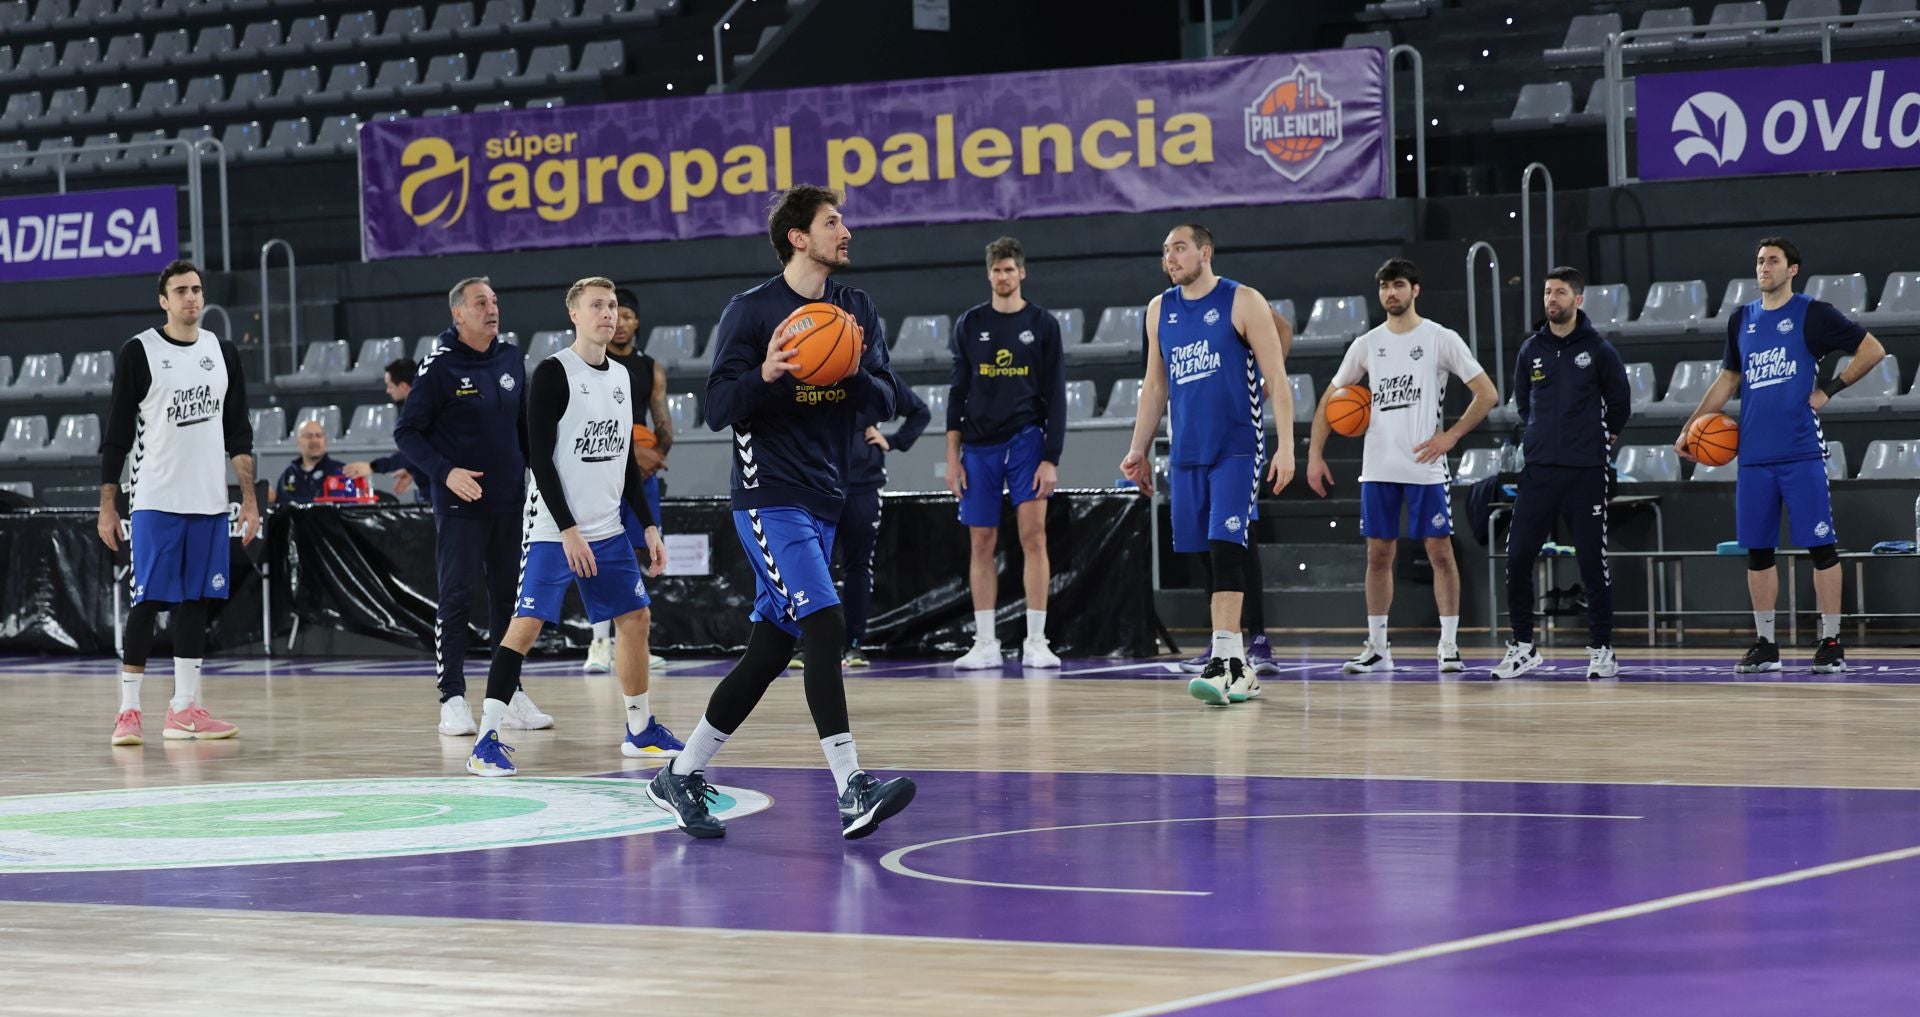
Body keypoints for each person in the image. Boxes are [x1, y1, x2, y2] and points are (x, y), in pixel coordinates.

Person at [647, 185, 916, 841]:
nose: (846, 230)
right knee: (824, 624)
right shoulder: (751, 311)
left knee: (769, 650)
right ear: (799, 236)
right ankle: (852, 787)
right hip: (769, 496)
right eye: (833, 222)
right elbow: (716, 408)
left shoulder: (853, 308)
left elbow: (883, 391)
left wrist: (847, 371)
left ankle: (679, 774)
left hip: (826, 495)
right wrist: (766, 374)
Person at [465, 278, 679, 776]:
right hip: (552, 528)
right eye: (597, 306)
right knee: (525, 627)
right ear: (575, 316)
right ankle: (485, 741)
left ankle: (639, 729)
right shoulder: (553, 373)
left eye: (613, 305)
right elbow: (539, 457)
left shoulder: (624, 376)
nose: (608, 313)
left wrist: (646, 526)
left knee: (636, 619)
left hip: (607, 527)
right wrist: (566, 529)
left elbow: (626, 456)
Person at [1673, 236, 1887, 675]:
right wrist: (1692, 429)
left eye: (1772, 260)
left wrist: (1830, 388)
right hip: (1753, 457)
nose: (1763, 267)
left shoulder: (1813, 313)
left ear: (1793, 269)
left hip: (1801, 451)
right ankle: (1766, 645)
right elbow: (1728, 380)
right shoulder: (1742, 320)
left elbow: (1873, 349)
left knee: (1822, 548)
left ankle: (1831, 641)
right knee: (1758, 553)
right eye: (1759, 260)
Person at [1120, 224, 1294, 706]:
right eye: (1164, 251)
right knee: (1204, 554)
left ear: (1205, 252)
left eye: (1178, 248)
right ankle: (1236, 662)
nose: (1169, 258)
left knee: (1225, 547)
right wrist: (1138, 448)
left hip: (1236, 444)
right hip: (1187, 452)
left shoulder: (1243, 300)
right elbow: (1155, 387)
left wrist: (1287, 448)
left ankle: (1226, 663)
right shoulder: (1159, 310)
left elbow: (1278, 377)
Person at [1306, 258, 1498, 675]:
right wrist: (1314, 455)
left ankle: (1448, 644)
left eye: (1397, 285)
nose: (1390, 293)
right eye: (1384, 287)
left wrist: (1451, 436)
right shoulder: (1367, 344)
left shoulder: (1439, 339)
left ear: (1415, 290)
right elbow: (1329, 399)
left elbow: (1486, 393)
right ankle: (1377, 646)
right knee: (1378, 556)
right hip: (1378, 468)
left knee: (1440, 553)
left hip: (1426, 467)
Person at [97, 259, 259, 745]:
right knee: (147, 603)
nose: (192, 297)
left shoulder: (221, 351)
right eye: (181, 291)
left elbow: (239, 432)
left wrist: (248, 499)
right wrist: (109, 504)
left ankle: (184, 709)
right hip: (154, 499)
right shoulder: (139, 352)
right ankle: (128, 712)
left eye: (196, 289)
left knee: (196, 603)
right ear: (163, 300)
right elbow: (117, 435)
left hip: (209, 503)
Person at [394, 277, 552, 736]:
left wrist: (538, 477)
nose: (492, 308)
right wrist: (445, 472)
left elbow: (524, 427)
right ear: (458, 314)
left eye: (495, 300)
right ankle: (453, 698)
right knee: (457, 598)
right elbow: (407, 433)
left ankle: (510, 693)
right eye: (481, 302)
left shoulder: (510, 357)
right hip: (461, 505)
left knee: (511, 600)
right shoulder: (438, 367)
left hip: (510, 502)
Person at [1492, 267, 1632, 681]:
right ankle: (1522, 647)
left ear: (1578, 299)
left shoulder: (1600, 350)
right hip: (1538, 471)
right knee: (1517, 557)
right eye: (1548, 292)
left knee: (1591, 561)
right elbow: (1523, 404)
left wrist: (1600, 441)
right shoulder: (1530, 350)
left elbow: (1620, 404)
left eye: (1561, 292)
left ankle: (1602, 650)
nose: (1552, 299)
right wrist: (1538, 440)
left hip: (1585, 472)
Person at [946, 236, 1069, 670]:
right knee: (981, 541)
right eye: (996, 270)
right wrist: (952, 457)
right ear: (989, 274)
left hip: (1026, 439)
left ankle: (1036, 640)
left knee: (1033, 536)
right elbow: (956, 392)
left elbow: (1056, 395)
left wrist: (1050, 457)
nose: (1003, 276)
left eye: (1010, 269)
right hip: (978, 445)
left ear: (1022, 273)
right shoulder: (968, 324)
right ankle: (985, 643)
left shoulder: (1043, 323)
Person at [1174, 304, 1297, 676]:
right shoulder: (1170, 311)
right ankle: (1222, 637)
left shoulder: (1235, 299)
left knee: (1240, 545)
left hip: (1235, 442)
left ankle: (1258, 639)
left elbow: (1283, 330)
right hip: (1193, 441)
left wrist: (1266, 367)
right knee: (1206, 547)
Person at [585, 286, 674, 675]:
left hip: (639, 473)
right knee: (600, 552)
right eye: (614, 313)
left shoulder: (649, 366)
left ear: (637, 321)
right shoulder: (590, 363)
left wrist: (656, 457)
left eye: (628, 315)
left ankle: (632, 642)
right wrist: (628, 451)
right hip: (602, 467)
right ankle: (598, 643)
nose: (620, 322)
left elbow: (663, 423)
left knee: (641, 554)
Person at [839, 382, 932, 666]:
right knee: (813, 565)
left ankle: (853, 644)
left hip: (864, 483)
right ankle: (812, 646)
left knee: (858, 565)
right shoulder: (813, 364)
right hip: (818, 482)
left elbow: (920, 411)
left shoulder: (878, 375)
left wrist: (893, 440)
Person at [344, 357, 431, 503]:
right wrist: (413, 470)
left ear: (403, 387)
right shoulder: (424, 407)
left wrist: (372, 467)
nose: (388, 391)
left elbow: (416, 451)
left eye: (390, 386)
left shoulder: (422, 412)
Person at [269, 419, 347, 505]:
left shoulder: (340, 471)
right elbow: (281, 506)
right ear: (298, 441)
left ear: (325, 440)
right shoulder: (289, 473)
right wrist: (274, 498)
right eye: (309, 436)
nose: (314, 441)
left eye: (318, 436)